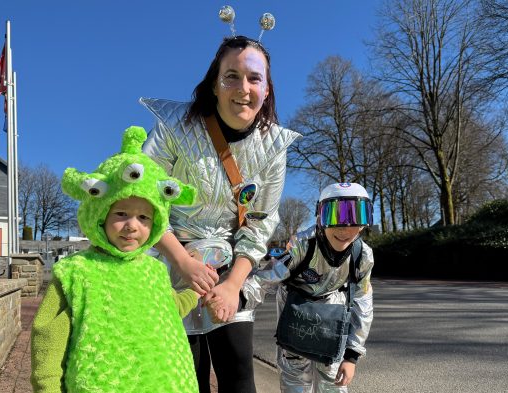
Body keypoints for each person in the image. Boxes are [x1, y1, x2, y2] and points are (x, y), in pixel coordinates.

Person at [140, 35, 300, 393]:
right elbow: (145, 202)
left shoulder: (273, 146)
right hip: (169, 265)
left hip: (230, 270)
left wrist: (233, 285)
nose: (243, 88)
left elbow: (260, 222)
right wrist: (181, 260)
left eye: (254, 78)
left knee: (239, 378)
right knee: (183, 380)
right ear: (214, 84)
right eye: (232, 76)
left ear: (267, 89)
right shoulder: (174, 127)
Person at [30, 126, 201, 393]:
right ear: (99, 214)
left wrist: (194, 291)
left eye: (144, 217)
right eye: (121, 213)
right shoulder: (75, 272)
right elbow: (49, 337)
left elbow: (171, 307)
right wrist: (47, 387)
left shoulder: (154, 270)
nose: (133, 226)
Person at [242, 182, 375, 392]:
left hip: (333, 317)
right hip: (296, 315)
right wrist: (237, 298)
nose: (345, 228)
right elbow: (267, 277)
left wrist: (352, 355)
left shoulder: (362, 255)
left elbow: (363, 303)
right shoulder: (303, 245)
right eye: (334, 216)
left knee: (333, 382)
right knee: (295, 379)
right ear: (320, 218)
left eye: (357, 217)